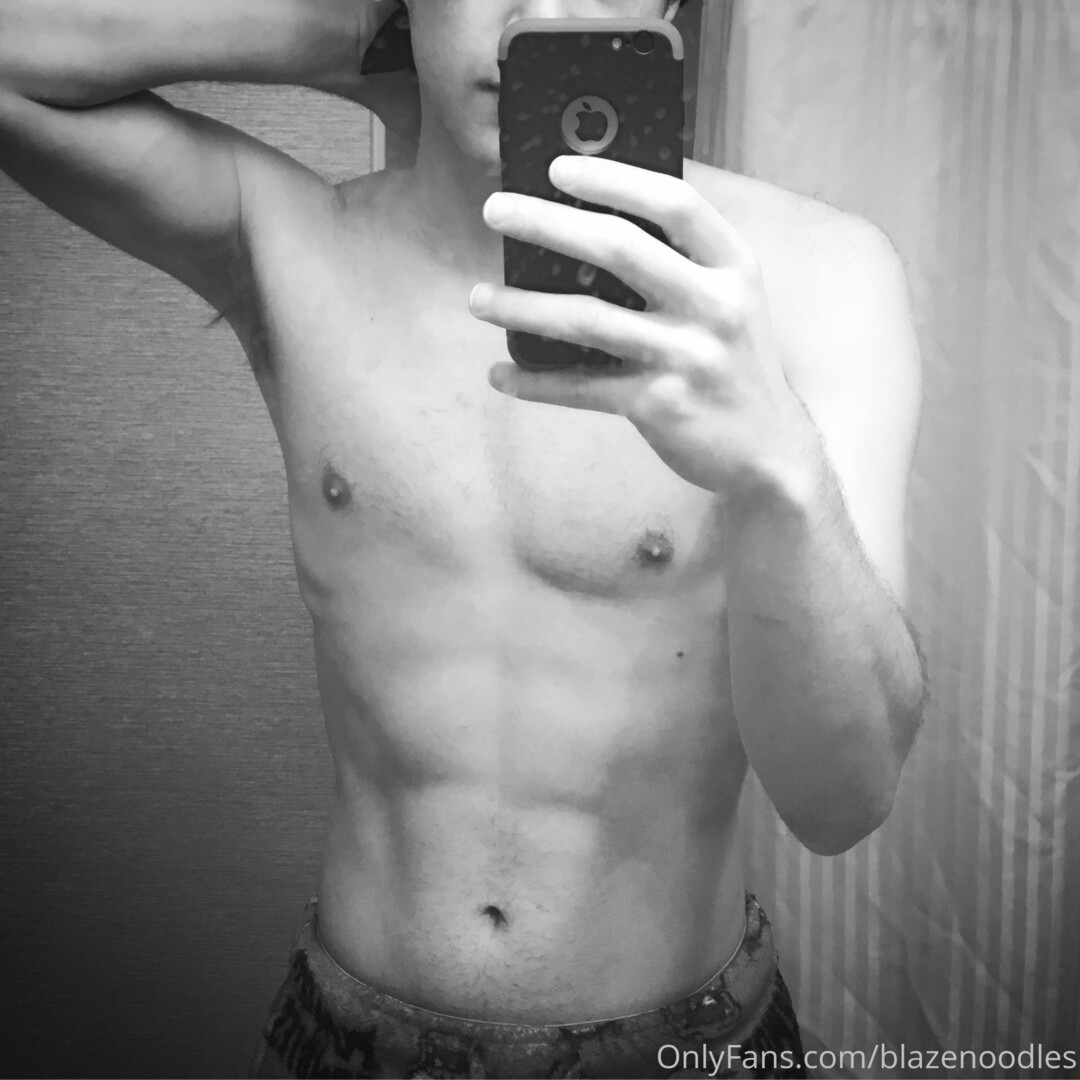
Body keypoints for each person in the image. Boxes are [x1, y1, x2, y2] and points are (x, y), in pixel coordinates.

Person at [0, 1, 928, 1076]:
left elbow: (843, 805)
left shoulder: (813, 277)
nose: (538, 12)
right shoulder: (292, 239)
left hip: (689, 1039)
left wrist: (782, 475)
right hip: (349, 1036)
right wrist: (366, 34)